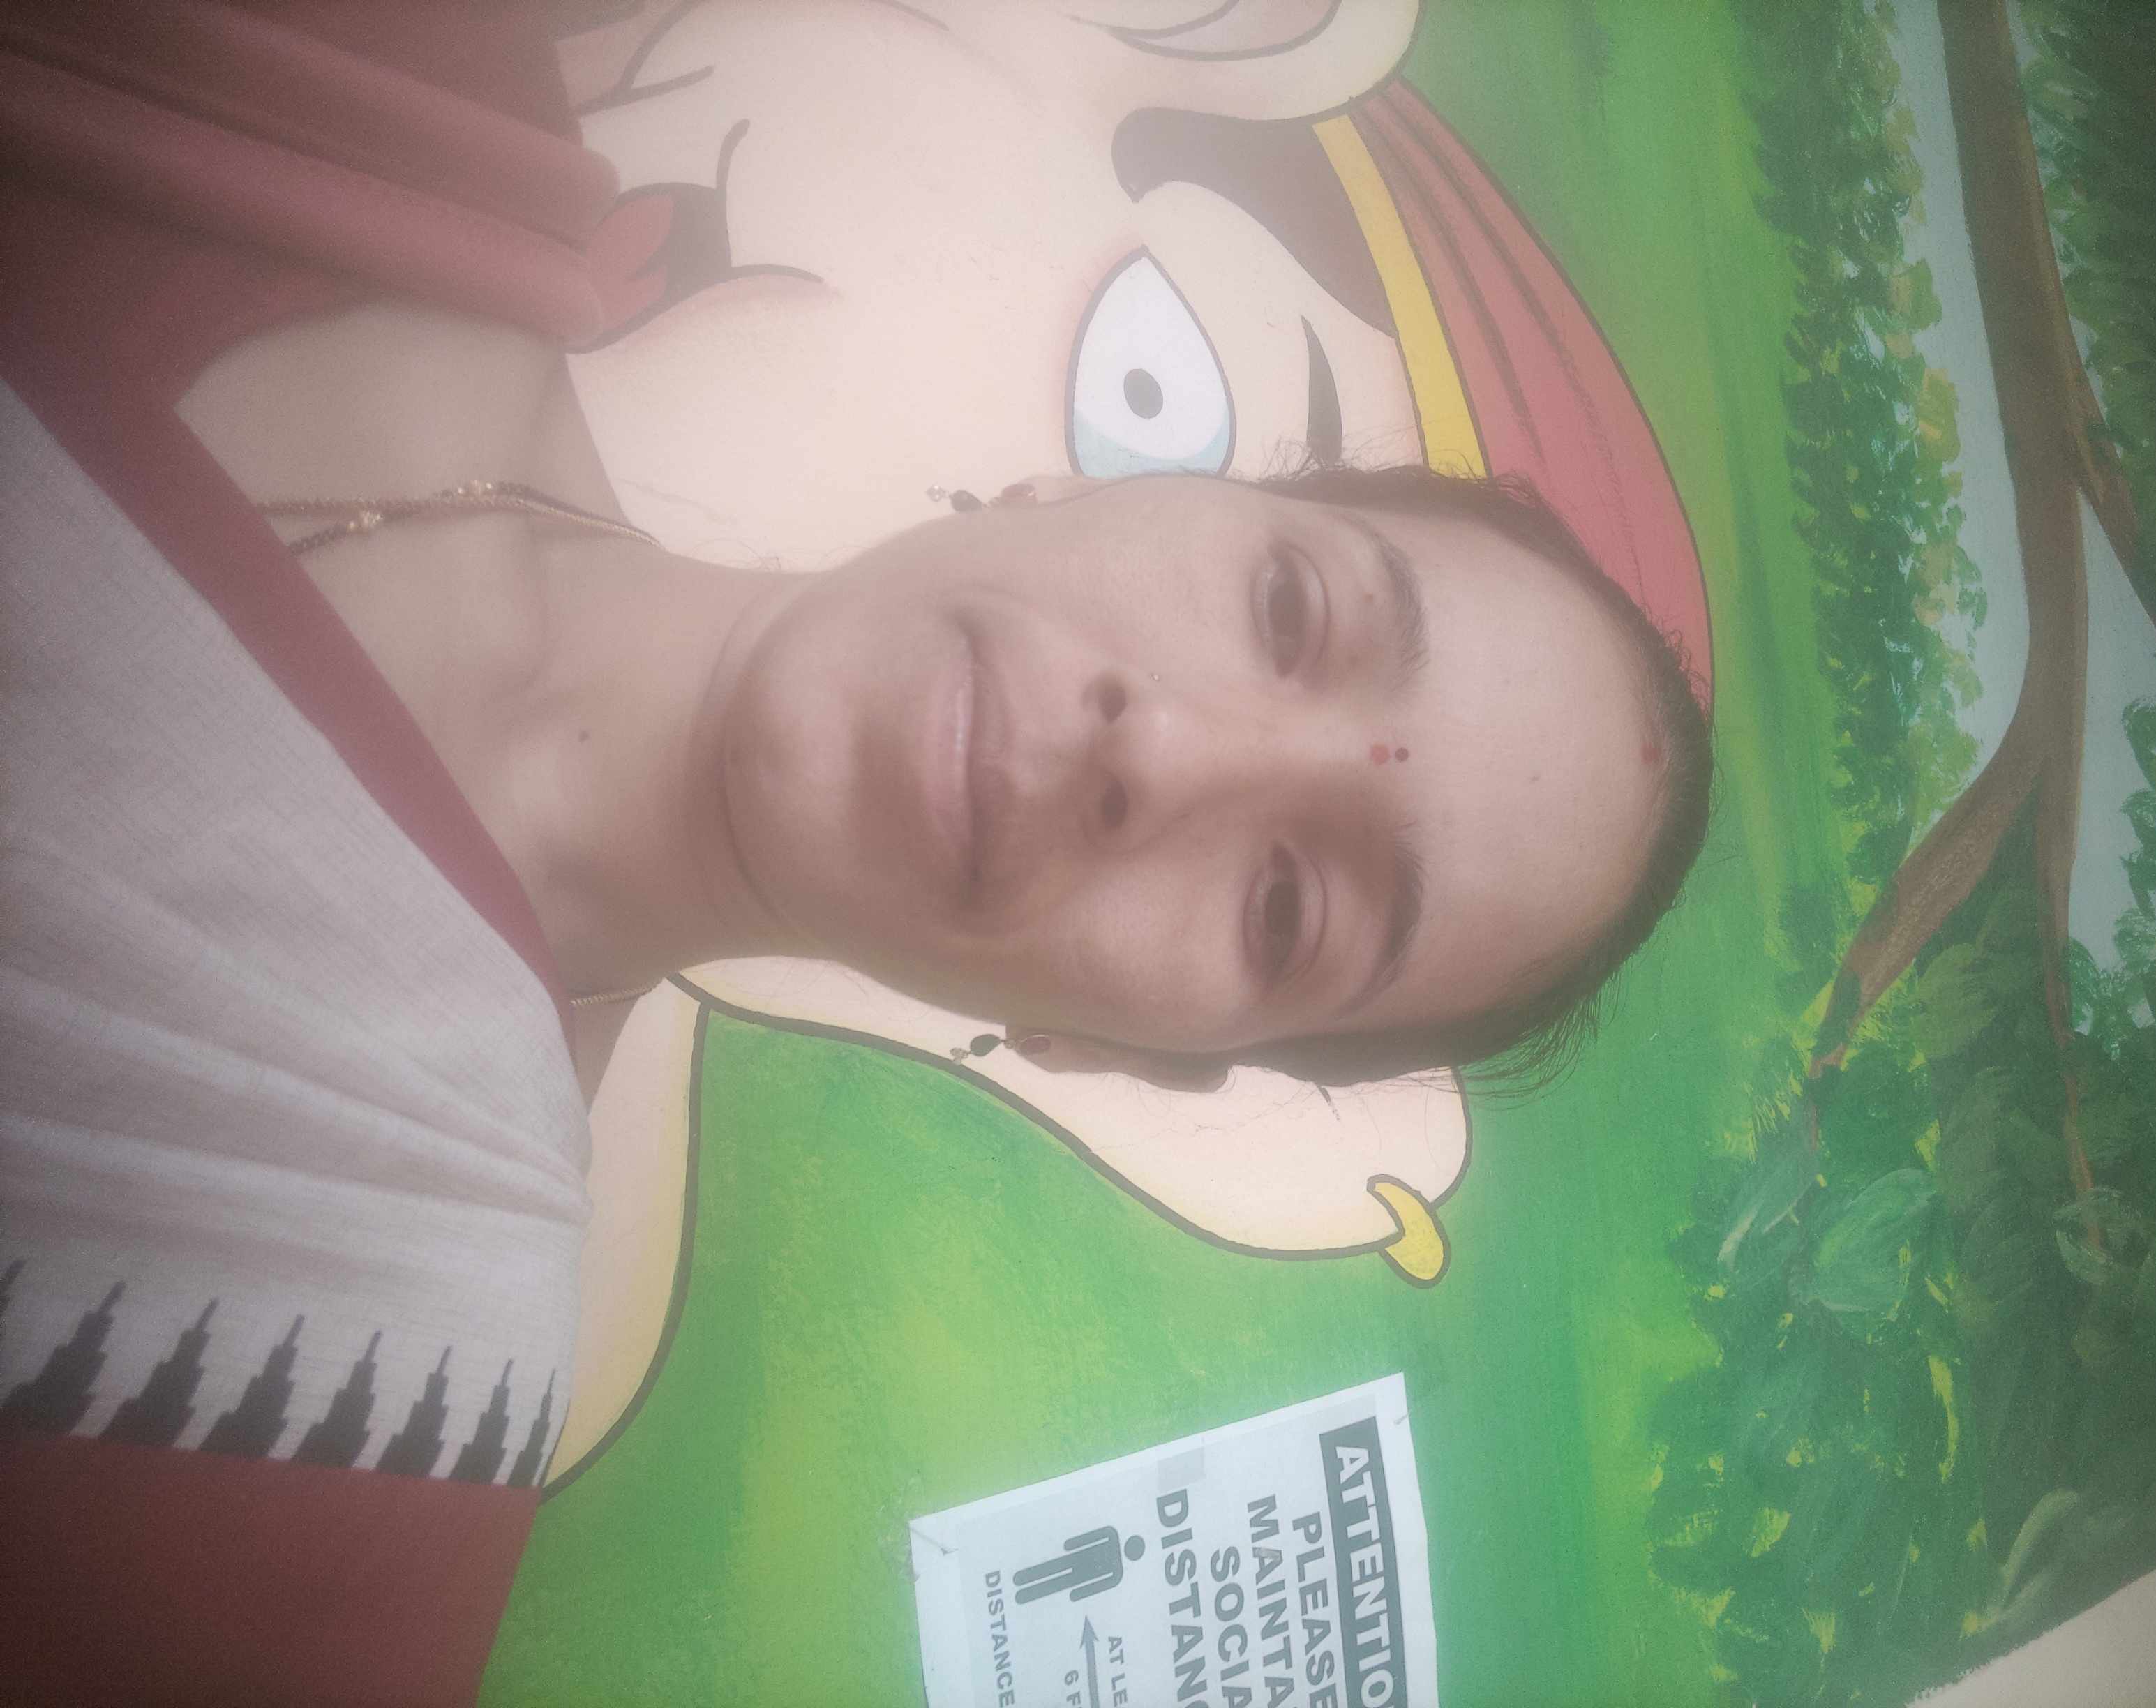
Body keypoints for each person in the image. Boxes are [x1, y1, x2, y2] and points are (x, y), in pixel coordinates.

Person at [0, 1, 1705, 1698]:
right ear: (1091, 488)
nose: (1166, 753)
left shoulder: (316, 1455)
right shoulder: (389, 89)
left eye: (1286, 905)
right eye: (1288, 608)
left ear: (1118, 1052)